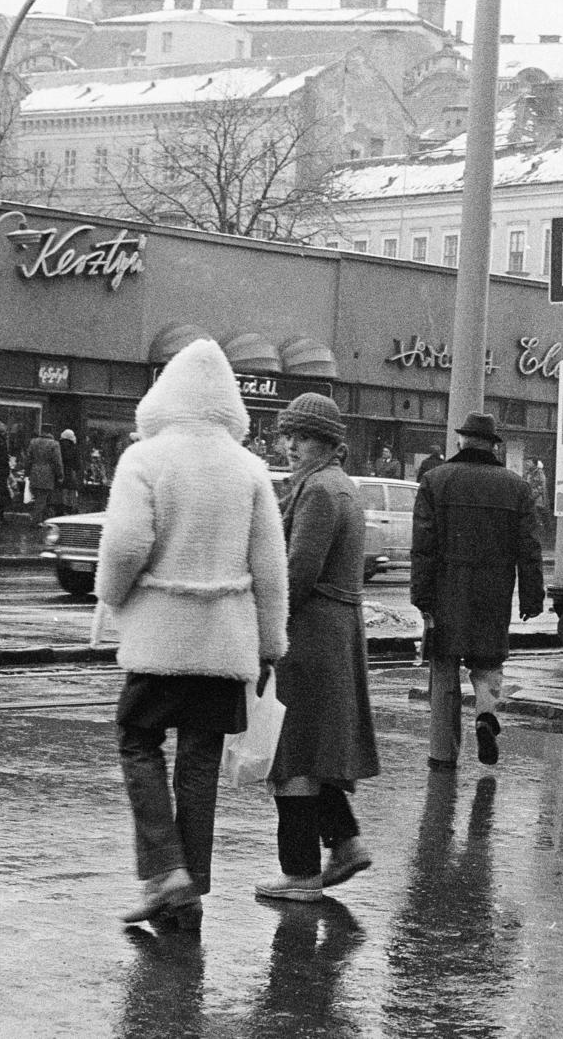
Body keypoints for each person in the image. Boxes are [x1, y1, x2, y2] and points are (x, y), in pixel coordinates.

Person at [95, 338, 289, 931]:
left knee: (138, 741)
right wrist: (269, 644)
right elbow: (270, 566)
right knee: (200, 762)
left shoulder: (145, 459)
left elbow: (126, 546)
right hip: (224, 639)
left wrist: (112, 596)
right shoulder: (250, 468)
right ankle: (192, 887)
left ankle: (163, 869)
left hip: (161, 635)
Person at [256, 393, 381, 902]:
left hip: (309, 634)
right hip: (331, 631)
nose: (289, 445)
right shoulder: (334, 485)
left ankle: (301, 871)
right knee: (316, 748)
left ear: (327, 442)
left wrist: (266, 627)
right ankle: (346, 844)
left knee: (294, 753)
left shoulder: (320, 492)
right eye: (287, 435)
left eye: (301, 436)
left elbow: (298, 573)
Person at [412, 412, 544, 769]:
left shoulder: (434, 481)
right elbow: (530, 549)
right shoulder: (517, 487)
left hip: (445, 591)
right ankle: (485, 714)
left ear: (461, 440)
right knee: (487, 664)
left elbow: (423, 546)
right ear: (493, 446)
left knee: (444, 668)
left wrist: (421, 598)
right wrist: (533, 598)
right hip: (494, 591)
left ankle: (442, 753)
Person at [26, 426, 65, 524]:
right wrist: (60, 475)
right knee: (42, 498)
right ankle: (36, 521)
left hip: (34, 471)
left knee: (37, 498)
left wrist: (27, 472)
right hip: (48, 473)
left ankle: (38, 518)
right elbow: (57, 461)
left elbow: (28, 458)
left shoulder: (33, 442)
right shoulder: (54, 444)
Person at [59, 429, 82, 512]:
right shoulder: (74, 448)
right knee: (71, 492)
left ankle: (62, 509)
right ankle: (70, 509)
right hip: (71, 473)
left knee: (62, 492)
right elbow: (78, 464)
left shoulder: (58, 446)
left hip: (60, 473)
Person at [527, 458, 550, 534]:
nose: (526, 464)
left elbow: (542, 486)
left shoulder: (539, 473)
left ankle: (545, 531)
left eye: (529, 462)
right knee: (534, 515)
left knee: (541, 515)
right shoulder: (529, 473)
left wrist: (533, 495)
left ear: (534, 464)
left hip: (538, 499)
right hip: (531, 497)